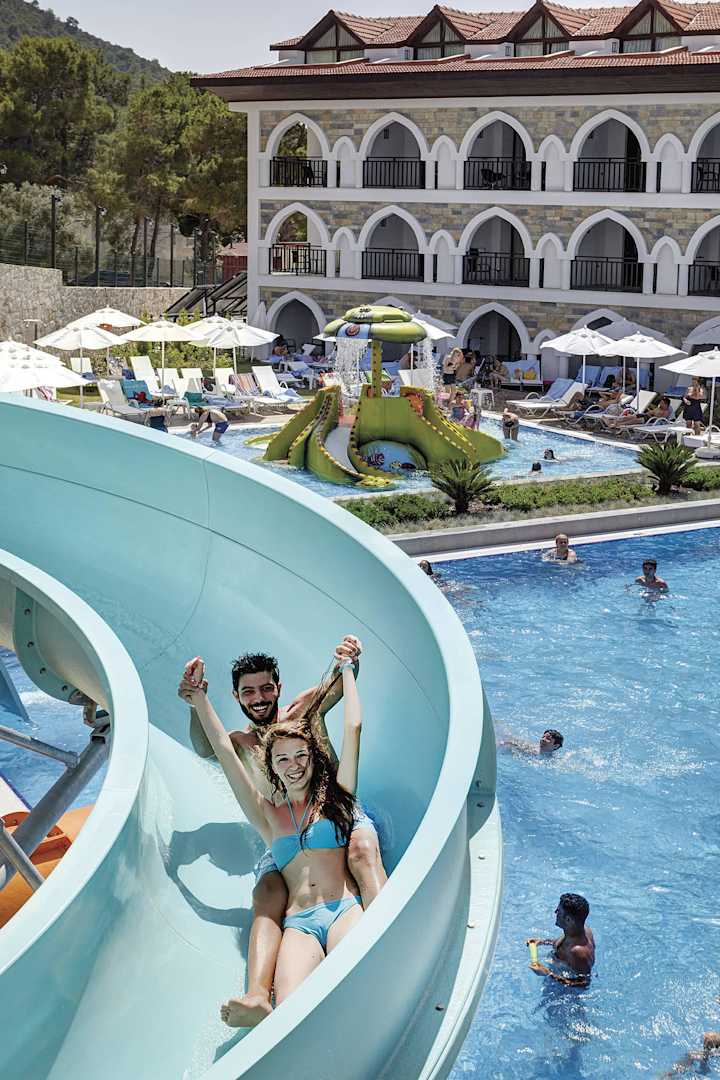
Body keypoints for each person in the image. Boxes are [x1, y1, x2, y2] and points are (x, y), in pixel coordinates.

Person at [180, 640, 387, 1027]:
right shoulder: (258, 788)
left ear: (278, 687)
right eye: (248, 691)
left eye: (265, 688)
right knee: (268, 893)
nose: (258, 697)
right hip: (294, 887)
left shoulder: (307, 722)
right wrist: (197, 698)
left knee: (360, 847)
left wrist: (347, 662)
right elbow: (216, 748)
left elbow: (351, 720)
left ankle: (387, 924)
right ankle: (258, 995)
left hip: (333, 821)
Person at [526, 893, 595, 986]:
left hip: (564, 990)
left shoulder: (578, 952)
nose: (555, 912)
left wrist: (548, 974)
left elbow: (584, 983)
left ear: (568, 920)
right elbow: (562, 942)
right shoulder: (580, 929)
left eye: (558, 911)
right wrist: (541, 942)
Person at [499, 729, 564, 756]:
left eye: (548, 739)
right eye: (543, 737)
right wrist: (503, 743)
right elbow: (512, 743)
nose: (543, 739)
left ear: (556, 746)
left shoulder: (553, 760)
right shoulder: (531, 750)